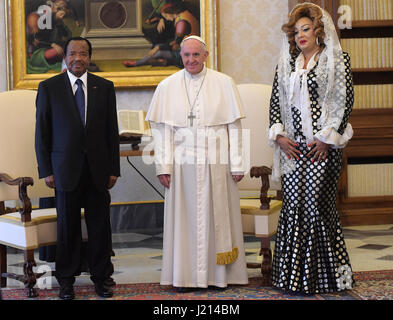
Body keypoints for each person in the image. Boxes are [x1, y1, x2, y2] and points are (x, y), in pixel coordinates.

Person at [145, 35, 248, 291]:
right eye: (186, 55)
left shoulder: (224, 83)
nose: (191, 60)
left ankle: (219, 276)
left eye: (196, 55)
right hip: (182, 167)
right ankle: (185, 276)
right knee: (184, 221)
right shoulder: (167, 86)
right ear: (181, 55)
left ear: (206, 55)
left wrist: (238, 164)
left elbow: (234, 127)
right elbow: (162, 131)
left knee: (218, 220)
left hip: (218, 164)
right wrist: (163, 167)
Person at [268, 3, 355, 294]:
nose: (300, 35)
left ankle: (324, 278)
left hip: (322, 149)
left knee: (317, 207)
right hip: (292, 150)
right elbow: (275, 105)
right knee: (294, 208)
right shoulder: (286, 65)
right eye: (296, 31)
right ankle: (292, 279)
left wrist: (326, 139)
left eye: (306, 29)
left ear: (318, 31)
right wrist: (279, 137)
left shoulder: (336, 60)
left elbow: (344, 102)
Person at [35, 36, 120, 300]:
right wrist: (46, 170)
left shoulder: (104, 87)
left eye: (83, 54)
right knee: (67, 228)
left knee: (99, 227)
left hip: (97, 170)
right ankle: (66, 282)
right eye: (72, 54)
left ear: (90, 58)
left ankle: (102, 278)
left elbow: (111, 132)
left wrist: (113, 168)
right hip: (64, 170)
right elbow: (42, 133)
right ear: (65, 57)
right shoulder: (49, 87)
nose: (77, 59)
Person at [124, 2, 199, 68]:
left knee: (159, 52)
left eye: (166, 16)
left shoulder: (181, 23)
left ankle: (136, 63)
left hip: (186, 57)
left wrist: (158, 48)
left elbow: (176, 46)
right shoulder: (180, 17)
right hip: (185, 52)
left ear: (171, 12)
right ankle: (159, 62)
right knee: (159, 51)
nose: (166, 18)